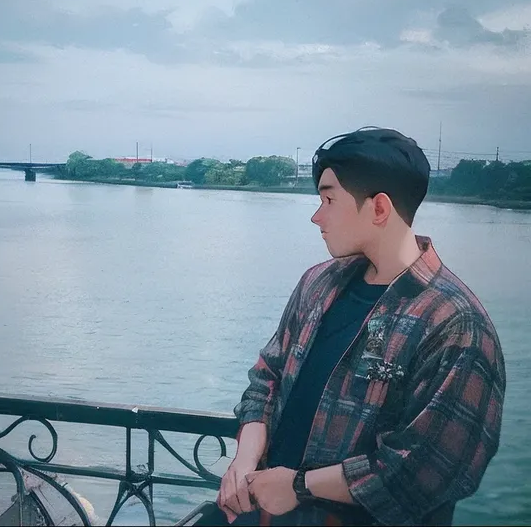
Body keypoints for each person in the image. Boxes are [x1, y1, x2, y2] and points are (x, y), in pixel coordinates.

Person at [202, 127, 506, 526]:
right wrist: (244, 460)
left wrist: (298, 486)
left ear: (379, 208)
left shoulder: (454, 324)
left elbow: (424, 470)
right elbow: (267, 377)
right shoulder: (318, 283)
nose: (316, 216)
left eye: (329, 199)